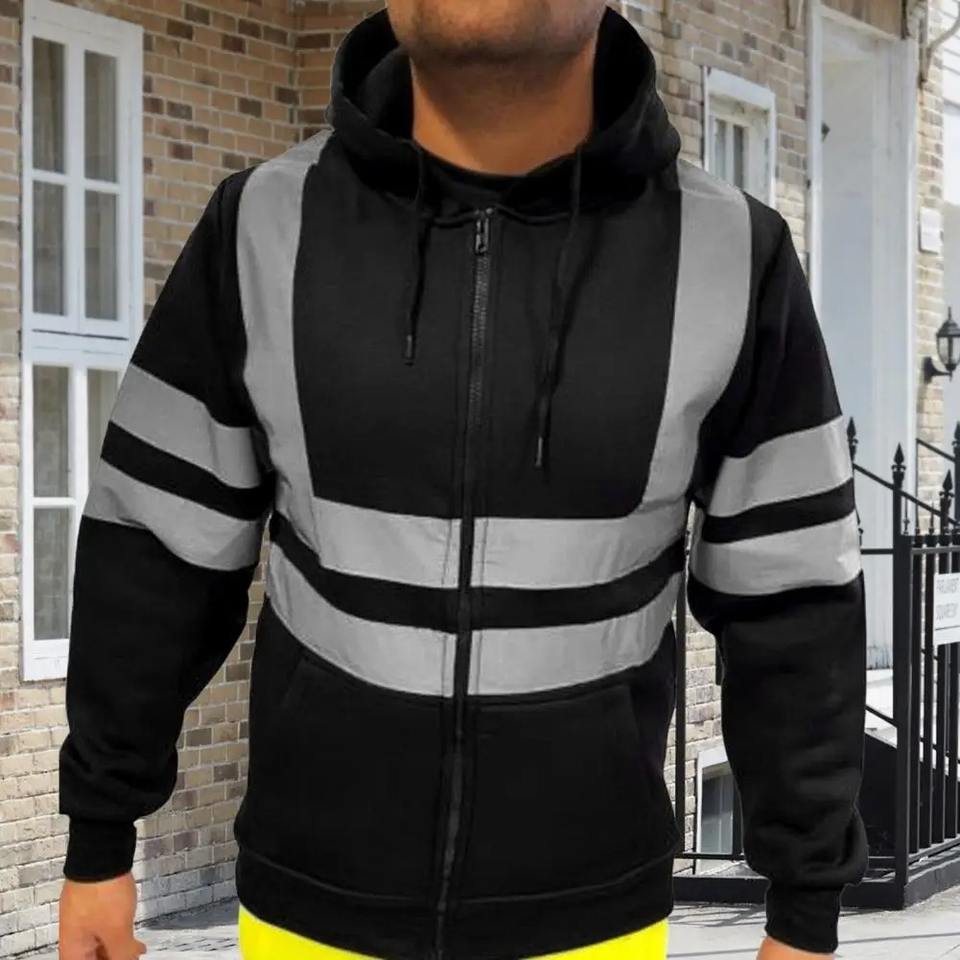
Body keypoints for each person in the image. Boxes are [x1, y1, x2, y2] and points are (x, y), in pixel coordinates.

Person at [56, 2, 869, 959]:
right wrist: (99, 837)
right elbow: (156, 548)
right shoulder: (260, 227)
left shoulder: (734, 256)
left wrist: (805, 906)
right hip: (309, 909)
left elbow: (792, 591)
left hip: (593, 919)